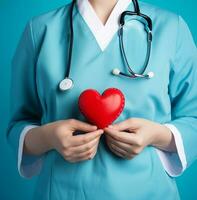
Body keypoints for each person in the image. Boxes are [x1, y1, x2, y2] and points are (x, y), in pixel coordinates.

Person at [6, 0, 197, 199]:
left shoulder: (171, 28)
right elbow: (18, 125)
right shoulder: (39, 30)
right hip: (63, 192)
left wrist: (157, 135)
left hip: (149, 191)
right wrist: (48, 137)